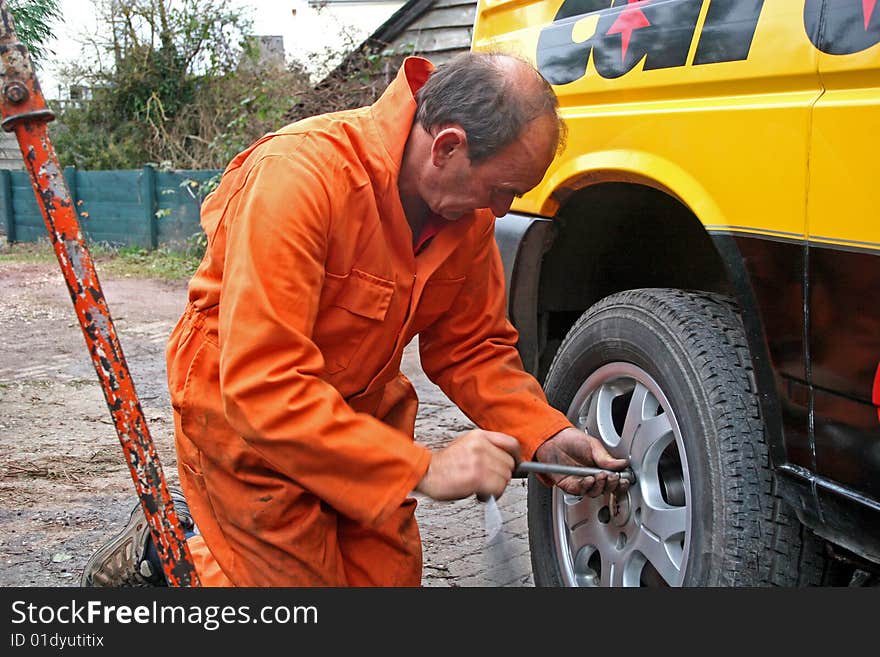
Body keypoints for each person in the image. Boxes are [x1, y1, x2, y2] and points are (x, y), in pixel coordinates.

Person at [81, 52, 628, 588]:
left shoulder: (467, 216)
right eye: (502, 189)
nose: (505, 209)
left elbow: (472, 347)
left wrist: (545, 433)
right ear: (448, 145)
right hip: (244, 424)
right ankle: (168, 556)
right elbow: (260, 388)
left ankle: (191, 550)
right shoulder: (299, 178)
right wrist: (424, 469)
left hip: (360, 417)